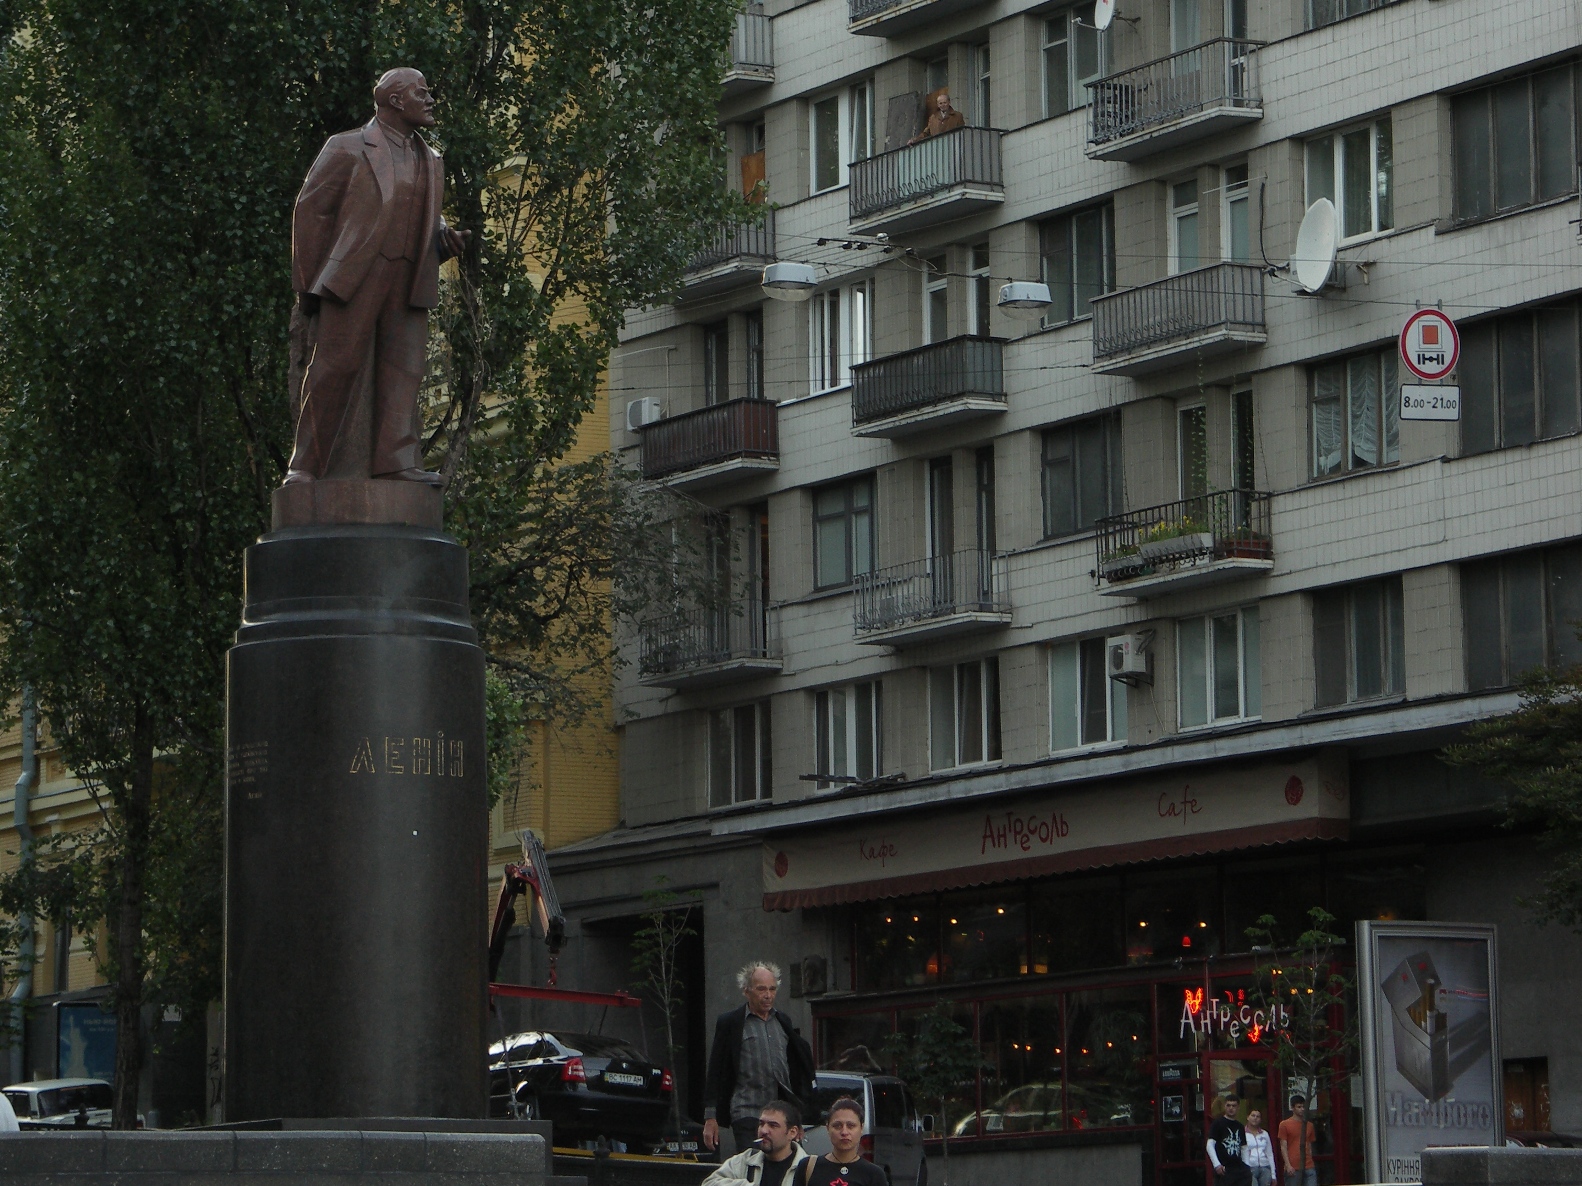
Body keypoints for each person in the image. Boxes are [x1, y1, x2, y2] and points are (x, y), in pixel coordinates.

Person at [286, 67, 471, 486]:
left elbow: (424, 215)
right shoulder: (348, 147)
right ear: (394, 101)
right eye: (421, 93)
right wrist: (309, 287)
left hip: (409, 277)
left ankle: (397, 462)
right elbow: (311, 211)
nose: (430, 100)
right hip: (354, 276)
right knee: (334, 367)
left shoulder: (431, 158)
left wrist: (444, 238)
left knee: (404, 370)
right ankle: (306, 465)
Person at [703, 960, 814, 1154]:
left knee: (788, 1167)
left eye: (772, 989)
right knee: (753, 1165)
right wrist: (710, 1118)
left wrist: (797, 1117)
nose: (768, 995)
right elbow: (715, 1071)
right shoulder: (731, 1023)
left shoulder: (782, 1021)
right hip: (747, 1111)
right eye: (761, 989)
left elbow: (794, 1070)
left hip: (780, 1114)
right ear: (747, 991)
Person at [702, 1100, 810, 1186]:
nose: (764, 1131)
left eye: (773, 1125)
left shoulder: (808, 1168)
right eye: (761, 1124)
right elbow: (708, 1183)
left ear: (792, 1132)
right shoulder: (745, 1160)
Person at [802, 1097, 887, 1186]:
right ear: (828, 1128)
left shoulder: (874, 1174)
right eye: (837, 1126)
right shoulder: (808, 1167)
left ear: (861, 1128)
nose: (844, 1132)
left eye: (851, 1126)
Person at [1207, 1095, 1252, 1186]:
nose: (1231, 1108)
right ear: (1224, 1106)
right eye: (1228, 1105)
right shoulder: (1217, 1123)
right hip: (1224, 1169)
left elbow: (1244, 1147)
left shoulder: (1239, 1126)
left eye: (1234, 1106)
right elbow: (1210, 1145)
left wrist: (1247, 1166)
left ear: (1238, 1107)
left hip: (1240, 1169)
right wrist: (1217, 1165)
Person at [1279, 1098, 1319, 1186]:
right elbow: (1283, 1146)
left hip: (1309, 1165)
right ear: (1292, 1108)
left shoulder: (1309, 1125)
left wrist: (1311, 1159)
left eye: (1303, 1107)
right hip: (1293, 1165)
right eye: (1299, 1107)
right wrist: (1287, 1165)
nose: (1302, 1109)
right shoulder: (1284, 1124)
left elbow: (1309, 1144)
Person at [1242, 1107, 1276, 1186]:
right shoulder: (1242, 1133)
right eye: (1253, 1115)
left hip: (1265, 1167)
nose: (1255, 1118)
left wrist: (1273, 1175)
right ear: (1248, 1117)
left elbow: (1270, 1154)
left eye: (1258, 1116)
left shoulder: (1264, 1134)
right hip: (1250, 1168)